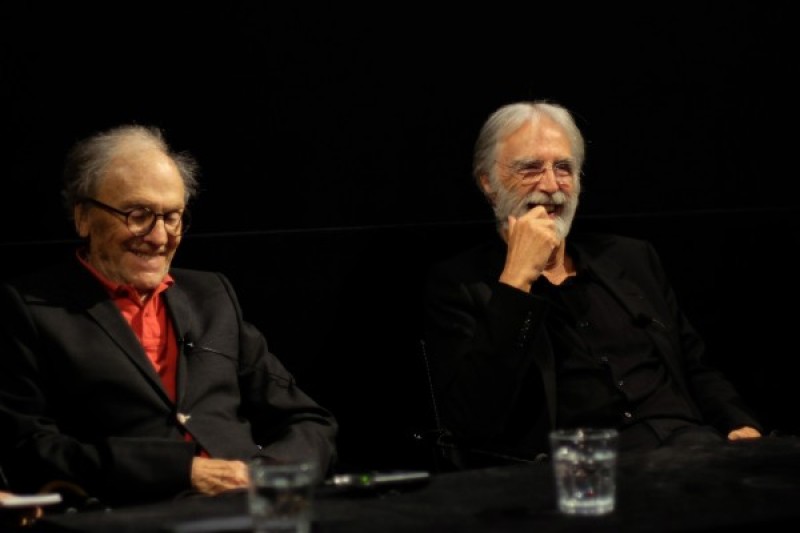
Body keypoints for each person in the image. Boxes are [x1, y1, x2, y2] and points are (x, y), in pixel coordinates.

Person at [0, 124, 338, 506]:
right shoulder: (29, 309)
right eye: (138, 214)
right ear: (84, 218)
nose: (160, 237)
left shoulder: (212, 296)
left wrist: (266, 474)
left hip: (253, 508)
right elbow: (28, 449)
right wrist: (181, 472)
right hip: (131, 514)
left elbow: (309, 421)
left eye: (172, 217)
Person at [422, 100, 762, 467]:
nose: (551, 186)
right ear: (487, 182)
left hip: (695, 448)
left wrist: (738, 423)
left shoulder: (631, 258)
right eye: (530, 168)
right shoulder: (460, 286)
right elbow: (471, 420)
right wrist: (517, 280)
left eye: (564, 168)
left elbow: (695, 366)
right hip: (588, 467)